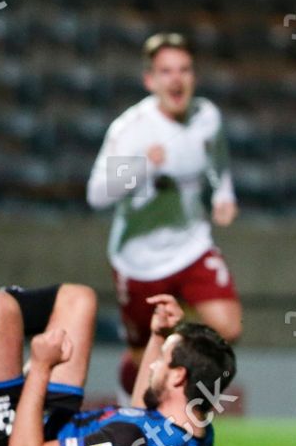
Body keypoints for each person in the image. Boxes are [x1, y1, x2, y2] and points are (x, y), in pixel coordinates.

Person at [0, 281, 234, 446]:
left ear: (178, 376)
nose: (153, 364)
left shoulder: (124, 443)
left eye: (163, 359)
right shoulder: (193, 436)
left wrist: (40, 367)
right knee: (78, 299)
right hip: (53, 422)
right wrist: (158, 336)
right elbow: (142, 417)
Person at [87, 32, 241, 405]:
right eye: (166, 71)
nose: (176, 79)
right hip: (140, 259)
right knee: (142, 356)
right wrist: (141, 167)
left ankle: (177, 367)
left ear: (194, 76)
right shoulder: (132, 130)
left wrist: (223, 193)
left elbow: (218, 159)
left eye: (184, 70)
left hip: (191, 245)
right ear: (150, 80)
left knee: (228, 327)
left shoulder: (207, 117)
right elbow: (96, 194)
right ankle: (136, 400)